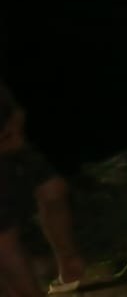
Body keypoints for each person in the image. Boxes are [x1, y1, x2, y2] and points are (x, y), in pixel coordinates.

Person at [0, 85, 84, 296]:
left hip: (9, 143)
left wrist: (14, 128)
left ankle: (69, 264)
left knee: (53, 190)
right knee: (5, 239)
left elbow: (14, 107)